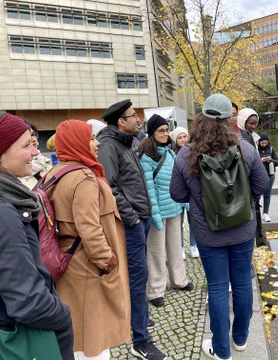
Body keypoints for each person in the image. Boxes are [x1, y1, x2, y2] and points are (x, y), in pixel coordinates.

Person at [170, 93, 269, 360]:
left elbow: (177, 195)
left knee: (216, 288)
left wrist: (200, 200)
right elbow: (262, 185)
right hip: (242, 230)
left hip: (207, 233)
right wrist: (245, 203)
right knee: (242, 284)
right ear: (229, 119)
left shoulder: (185, 155)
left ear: (200, 117)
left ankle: (222, 351)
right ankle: (240, 339)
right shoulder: (245, 149)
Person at [0, 111, 74, 360]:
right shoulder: (0, 214)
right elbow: (28, 301)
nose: (36, 152)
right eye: (27, 144)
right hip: (10, 337)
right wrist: (63, 316)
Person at [44, 120, 131, 359]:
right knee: (92, 339)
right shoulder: (83, 177)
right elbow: (90, 229)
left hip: (69, 261)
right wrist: (107, 261)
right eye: (91, 138)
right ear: (77, 142)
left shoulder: (55, 172)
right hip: (87, 268)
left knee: (78, 333)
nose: (97, 143)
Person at [97, 100, 165, 360]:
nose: (138, 120)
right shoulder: (109, 146)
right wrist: (132, 218)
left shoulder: (126, 143)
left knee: (140, 274)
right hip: (133, 222)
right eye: (132, 116)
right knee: (137, 277)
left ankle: (141, 320)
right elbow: (109, 186)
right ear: (120, 122)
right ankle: (140, 340)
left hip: (141, 219)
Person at [139, 115, 193, 308]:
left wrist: (185, 204)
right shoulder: (146, 156)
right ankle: (155, 290)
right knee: (155, 252)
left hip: (174, 208)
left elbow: (179, 180)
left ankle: (179, 279)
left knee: (175, 247)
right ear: (152, 133)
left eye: (165, 130)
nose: (164, 133)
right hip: (158, 212)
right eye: (160, 130)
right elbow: (148, 188)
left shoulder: (170, 153)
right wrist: (155, 214)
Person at [171, 126, 199, 259]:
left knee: (193, 222)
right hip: (177, 195)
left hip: (190, 193)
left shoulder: (192, 151)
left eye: (184, 136)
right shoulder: (172, 154)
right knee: (179, 224)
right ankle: (180, 247)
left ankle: (194, 245)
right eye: (179, 137)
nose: (182, 139)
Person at [20, 122, 52, 189]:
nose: (34, 139)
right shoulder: (13, 174)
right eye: (28, 136)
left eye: (33, 134)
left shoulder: (45, 163)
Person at [257, 132, 278, 222]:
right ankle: (256, 212)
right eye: (262, 143)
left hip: (270, 175)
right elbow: (252, 162)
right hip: (259, 176)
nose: (264, 145)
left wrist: (271, 160)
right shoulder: (255, 150)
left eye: (265, 143)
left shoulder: (271, 149)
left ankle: (265, 213)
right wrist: (261, 160)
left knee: (267, 195)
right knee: (257, 195)